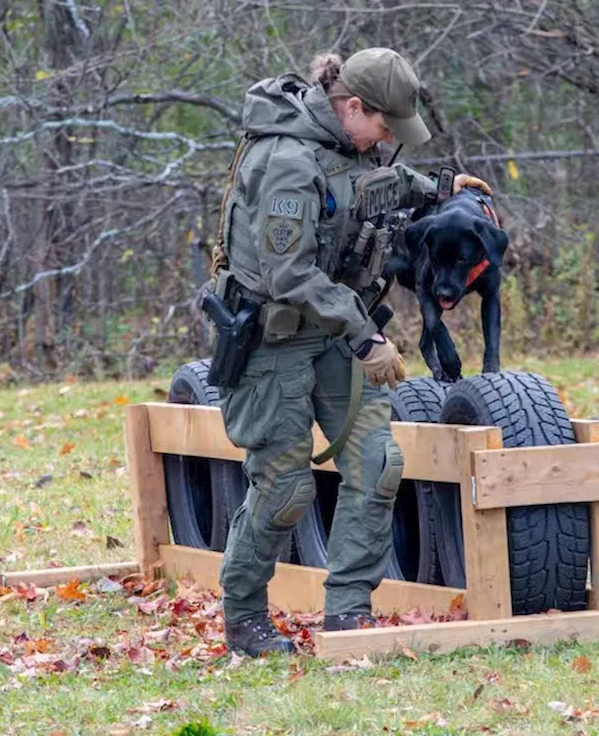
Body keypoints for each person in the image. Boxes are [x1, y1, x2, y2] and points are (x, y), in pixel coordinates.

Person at [207, 47, 490, 656]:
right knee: (285, 491)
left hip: (331, 335)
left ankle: (348, 617)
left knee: (377, 464)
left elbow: (371, 188)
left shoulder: (346, 146)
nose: (386, 139)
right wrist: (365, 337)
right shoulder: (285, 161)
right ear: (351, 106)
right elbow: (288, 274)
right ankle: (245, 616)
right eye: (385, 127)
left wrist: (437, 189)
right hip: (273, 342)